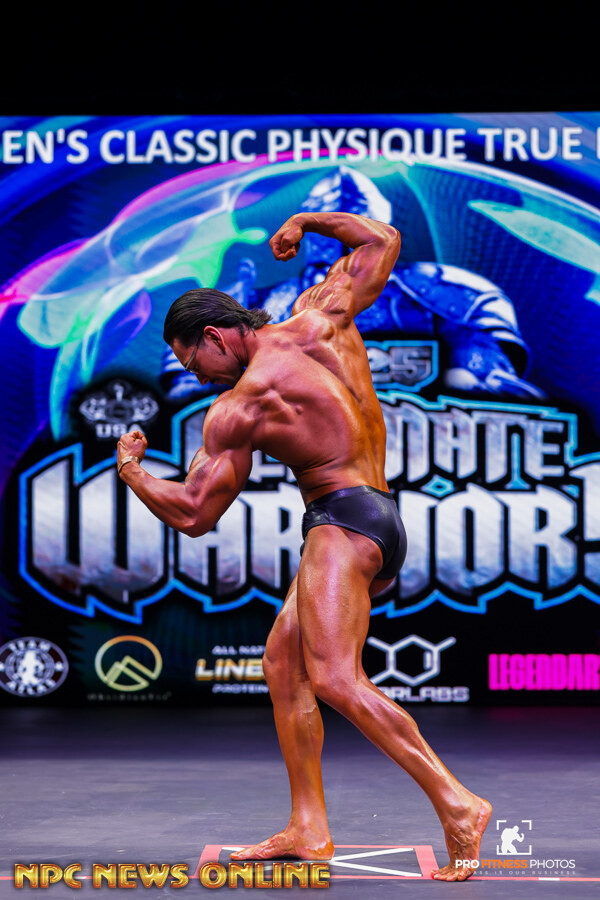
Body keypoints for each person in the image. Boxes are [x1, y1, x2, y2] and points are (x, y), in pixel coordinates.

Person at [117, 211, 491, 882]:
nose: (198, 377)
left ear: (214, 336)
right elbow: (381, 239)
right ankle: (308, 827)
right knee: (283, 664)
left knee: (337, 679)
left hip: (340, 523)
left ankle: (457, 803)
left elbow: (195, 513)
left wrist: (133, 472)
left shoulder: (240, 408)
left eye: (193, 362)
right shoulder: (322, 315)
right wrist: (304, 223)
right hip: (378, 515)